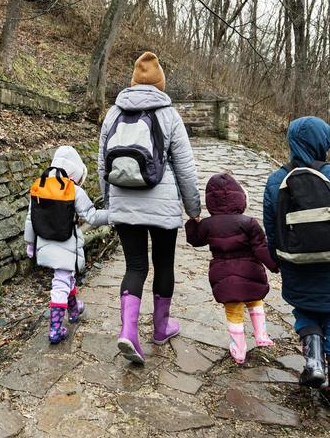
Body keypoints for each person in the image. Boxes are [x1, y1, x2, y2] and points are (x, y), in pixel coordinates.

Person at [262, 116, 330, 415]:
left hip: (297, 264)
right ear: (320, 143)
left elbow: (272, 229)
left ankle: (313, 362)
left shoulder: (276, 181)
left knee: (306, 312)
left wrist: (279, 260)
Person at [98, 52, 200, 365]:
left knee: (135, 267)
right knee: (164, 264)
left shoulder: (114, 113)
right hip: (163, 204)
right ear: (160, 84)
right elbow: (184, 166)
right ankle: (160, 328)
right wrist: (194, 209)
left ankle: (128, 330)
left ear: (132, 81)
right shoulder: (169, 114)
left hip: (124, 203)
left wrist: (108, 201)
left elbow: (103, 163)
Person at [185, 171, 279, 364]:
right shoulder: (249, 223)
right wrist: (274, 265)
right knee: (255, 301)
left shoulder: (208, 225)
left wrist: (193, 223)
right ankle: (261, 335)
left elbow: (195, 240)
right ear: (240, 198)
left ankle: (239, 349)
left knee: (233, 311)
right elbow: (261, 248)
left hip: (223, 274)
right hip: (250, 270)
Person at [25, 145, 107, 343]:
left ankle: (73, 309)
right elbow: (92, 217)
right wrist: (115, 215)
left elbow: (30, 218)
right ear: (76, 171)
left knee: (65, 277)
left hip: (44, 242)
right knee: (60, 282)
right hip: (65, 243)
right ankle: (55, 329)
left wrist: (30, 243)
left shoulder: (40, 185)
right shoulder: (74, 190)